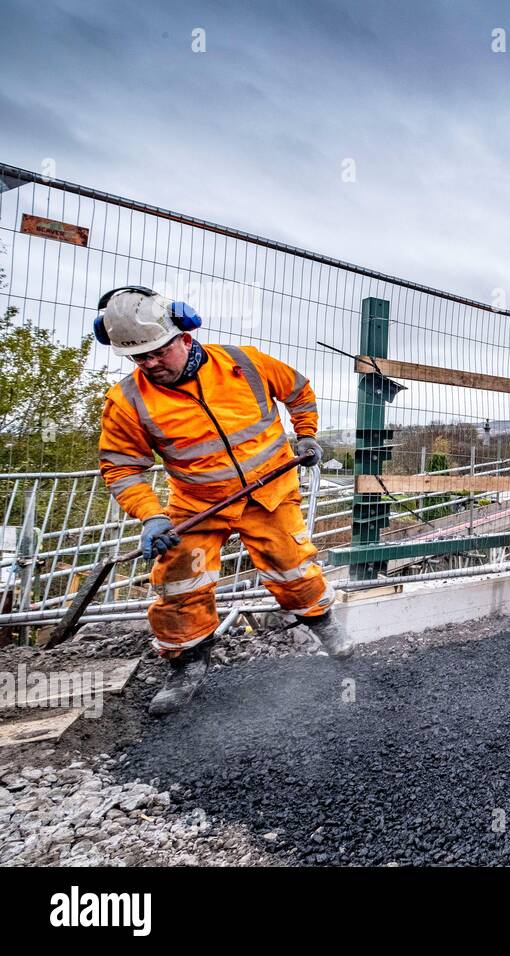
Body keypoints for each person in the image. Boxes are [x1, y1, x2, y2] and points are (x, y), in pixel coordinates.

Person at [94, 286, 351, 715]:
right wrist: (151, 516)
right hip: (198, 503)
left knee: (293, 566)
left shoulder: (245, 363)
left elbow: (299, 392)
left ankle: (327, 631)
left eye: (158, 351)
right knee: (179, 581)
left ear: (185, 337)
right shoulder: (128, 401)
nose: (152, 364)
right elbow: (122, 468)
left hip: (268, 492)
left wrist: (306, 433)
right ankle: (187, 667)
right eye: (140, 358)